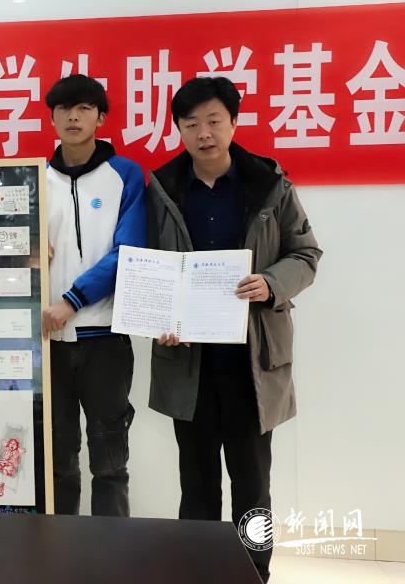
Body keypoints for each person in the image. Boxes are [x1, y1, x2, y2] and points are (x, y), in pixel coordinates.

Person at [147, 76, 321, 582]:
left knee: (252, 486)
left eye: (214, 120)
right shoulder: (161, 189)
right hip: (189, 363)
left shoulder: (269, 184)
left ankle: (254, 573)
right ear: (179, 129)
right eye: (191, 124)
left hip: (253, 363)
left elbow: (306, 254)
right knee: (196, 485)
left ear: (234, 123)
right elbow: (145, 266)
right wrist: (160, 318)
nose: (204, 133)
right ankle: (197, 571)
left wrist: (270, 283)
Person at [40, 74, 146, 516]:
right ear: (52, 118)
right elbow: (4, 248)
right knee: (57, 461)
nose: (73, 117)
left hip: (105, 339)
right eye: (64, 109)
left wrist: (72, 300)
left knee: (110, 462)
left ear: (101, 118)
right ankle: (58, 549)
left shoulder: (125, 175)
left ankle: (111, 551)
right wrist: (24, 254)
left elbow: (130, 253)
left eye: (84, 108)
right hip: (48, 342)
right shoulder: (35, 178)